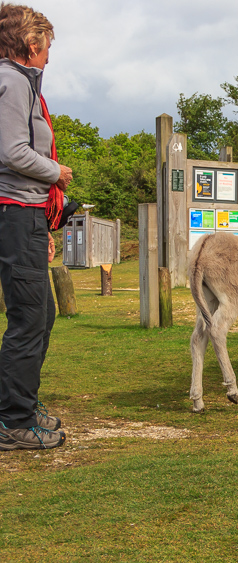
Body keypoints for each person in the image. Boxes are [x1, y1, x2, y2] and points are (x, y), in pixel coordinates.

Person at [0, 3, 72, 450]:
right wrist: (55, 171)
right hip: (13, 209)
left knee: (41, 314)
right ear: (33, 44)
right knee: (28, 319)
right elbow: (11, 151)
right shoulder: (12, 81)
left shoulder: (19, 82)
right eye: (47, 48)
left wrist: (43, 225)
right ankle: (13, 421)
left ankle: (17, 404)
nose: (49, 57)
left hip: (24, 214)